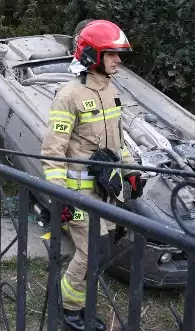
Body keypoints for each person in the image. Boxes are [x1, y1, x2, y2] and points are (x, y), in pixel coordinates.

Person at [40, 20, 145, 331]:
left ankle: (80, 303)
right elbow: (53, 151)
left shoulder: (111, 91)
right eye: (112, 54)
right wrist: (59, 195)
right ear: (92, 55)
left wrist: (131, 174)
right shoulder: (69, 95)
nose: (118, 60)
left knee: (100, 254)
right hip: (77, 196)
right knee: (89, 255)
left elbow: (118, 142)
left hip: (106, 192)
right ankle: (68, 309)